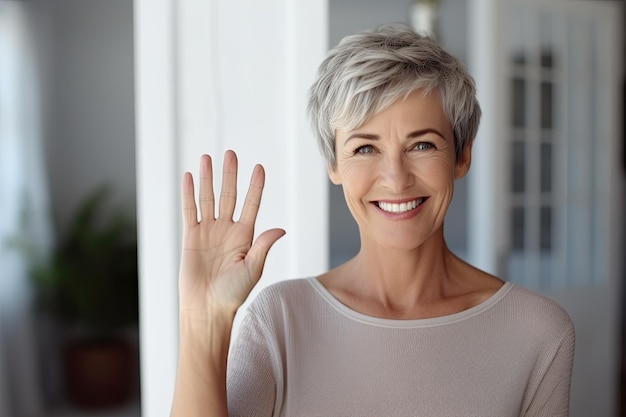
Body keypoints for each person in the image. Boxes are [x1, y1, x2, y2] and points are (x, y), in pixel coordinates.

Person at [171, 23, 575, 417]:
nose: (396, 179)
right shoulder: (279, 321)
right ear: (334, 164)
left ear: (462, 155)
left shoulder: (537, 331)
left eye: (422, 144)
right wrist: (203, 320)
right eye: (365, 148)